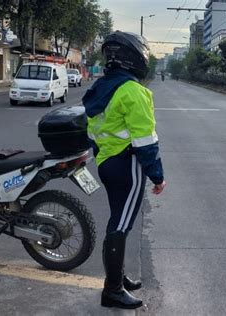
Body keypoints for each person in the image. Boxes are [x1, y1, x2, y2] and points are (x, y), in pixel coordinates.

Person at [82, 31, 166, 310]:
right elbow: (145, 140)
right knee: (121, 224)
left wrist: (104, 157)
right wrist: (157, 175)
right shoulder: (134, 92)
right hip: (128, 165)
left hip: (107, 163)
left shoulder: (100, 88)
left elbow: (93, 132)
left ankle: (117, 278)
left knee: (116, 221)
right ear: (135, 59)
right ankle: (113, 289)